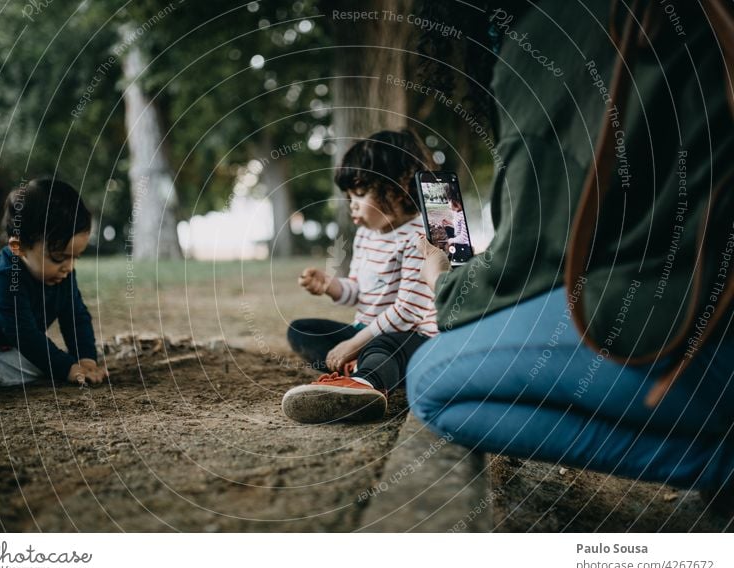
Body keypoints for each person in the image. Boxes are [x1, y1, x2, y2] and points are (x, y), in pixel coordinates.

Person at [407, 0, 734, 507]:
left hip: (703, 333)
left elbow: (532, 260)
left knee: (430, 378)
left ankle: (717, 461)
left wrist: (441, 279)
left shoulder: (557, 30)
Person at [282, 130, 438, 423]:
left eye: (360, 194)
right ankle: (369, 367)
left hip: (412, 340)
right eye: (349, 196)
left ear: (396, 188)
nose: (352, 204)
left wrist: (355, 344)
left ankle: (365, 385)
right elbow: (357, 291)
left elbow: (407, 312)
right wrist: (330, 286)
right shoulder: (366, 234)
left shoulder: (420, 238)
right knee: (301, 330)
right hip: (367, 331)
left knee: (384, 345)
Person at [0, 178, 107, 405]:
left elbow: (75, 316)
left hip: (3, 353)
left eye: (76, 257)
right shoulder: (3, 277)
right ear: (19, 247)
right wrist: (67, 367)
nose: (69, 267)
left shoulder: (64, 275)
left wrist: (85, 359)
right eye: (58, 257)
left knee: (39, 364)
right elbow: (24, 332)